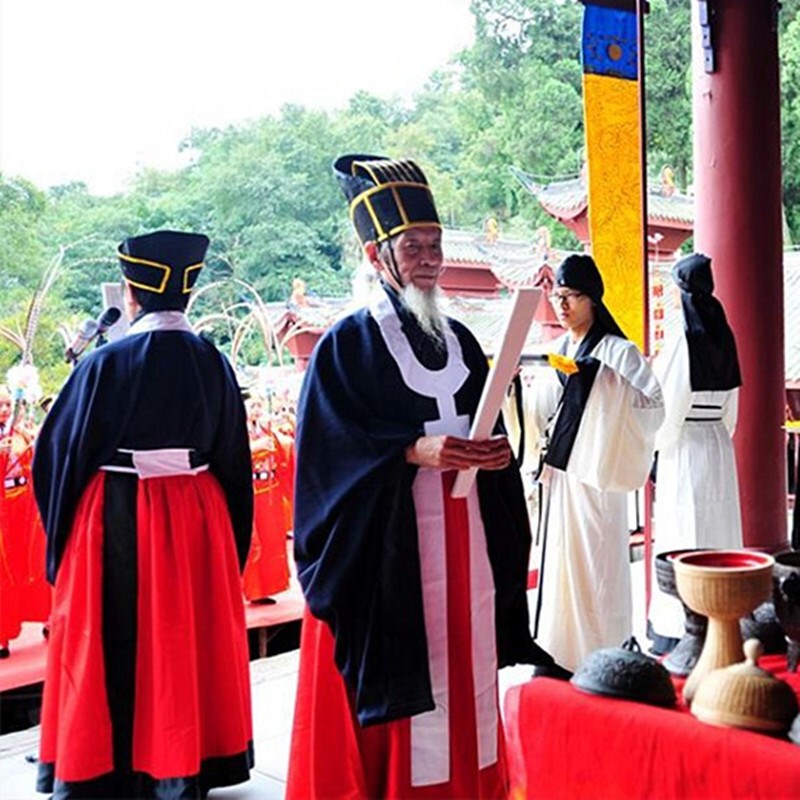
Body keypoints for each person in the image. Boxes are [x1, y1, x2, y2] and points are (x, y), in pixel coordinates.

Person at [286, 154, 562, 800]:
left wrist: (492, 456)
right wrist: (413, 451)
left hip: (464, 543)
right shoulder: (345, 348)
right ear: (377, 252)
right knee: (420, 680)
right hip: (393, 550)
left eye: (436, 244)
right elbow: (330, 456)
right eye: (414, 246)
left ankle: (475, 784)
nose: (431, 259)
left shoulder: (463, 342)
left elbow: (487, 416)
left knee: (468, 671)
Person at [32, 230, 254, 799]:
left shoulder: (106, 364)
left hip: (117, 513)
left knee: (108, 638)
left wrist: (64, 537)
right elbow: (234, 456)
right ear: (189, 292)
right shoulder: (215, 362)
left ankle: (111, 764)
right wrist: (228, 539)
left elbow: (58, 452)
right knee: (184, 638)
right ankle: (184, 759)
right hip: (197, 507)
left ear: (131, 294)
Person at [526, 254, 664, 672]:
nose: (562, 305)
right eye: (557, 295)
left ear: (593, 300)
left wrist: (604, 384)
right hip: (561, 474)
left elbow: (654, 406)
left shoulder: (619, 352)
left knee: (597, 564)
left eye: (571, 296)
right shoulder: (556, 349)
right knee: (561, 564)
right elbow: (540, 408)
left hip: (597, 473)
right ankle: (558, 650)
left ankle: (604, 651)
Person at [648, 252, 743, 653]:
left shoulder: (682, 340)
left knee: (684, 532)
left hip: (685, 443)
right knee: (718, 531)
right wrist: (718, 435)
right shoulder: (725, 334)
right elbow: (732, 408)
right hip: (717, 442)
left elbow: (668, 405)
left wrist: (657, 448)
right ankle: (722, 617)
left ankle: (679, 628)